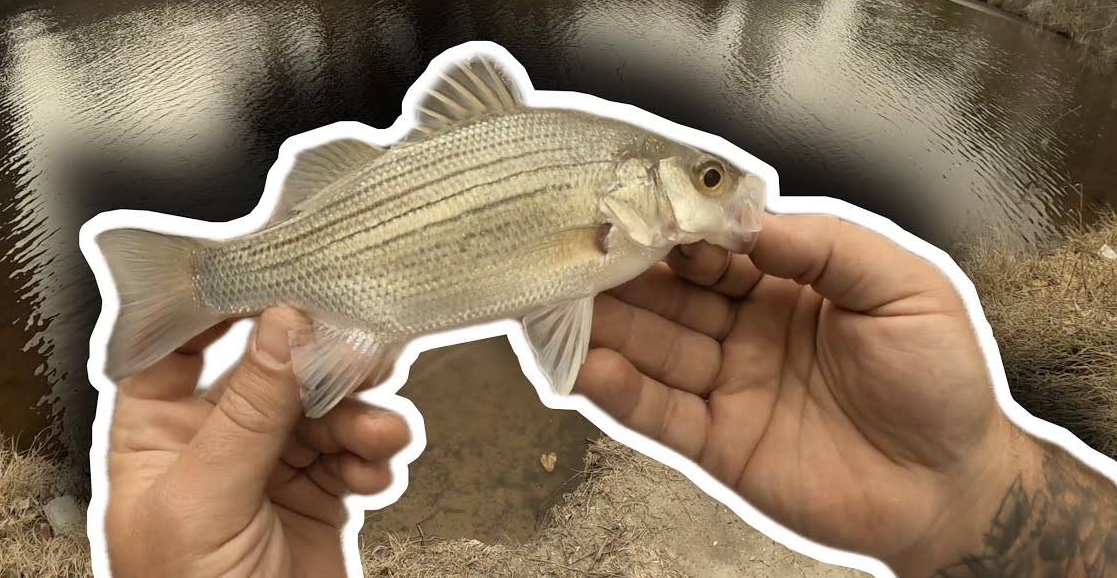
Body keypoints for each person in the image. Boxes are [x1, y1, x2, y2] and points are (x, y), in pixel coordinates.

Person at [103, 212, 1117, 577]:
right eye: (709, 180)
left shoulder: (617, 242)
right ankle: (201, 273)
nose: (738, 194)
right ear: (634, 191)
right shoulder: (605, 224)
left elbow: (559, 304)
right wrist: (971, 488)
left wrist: (962, 490)